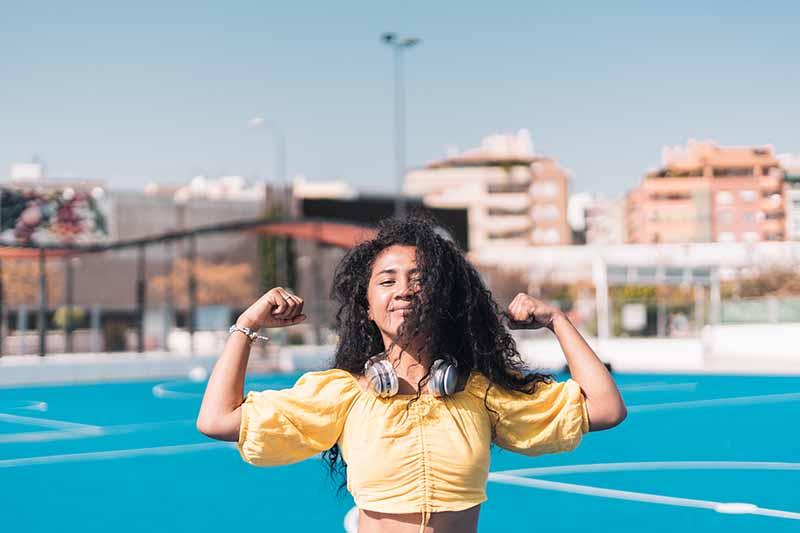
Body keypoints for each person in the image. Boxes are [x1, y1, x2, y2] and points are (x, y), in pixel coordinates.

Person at [196, 216, 627, 533]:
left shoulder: (480, 393)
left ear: (441, 298)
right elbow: (217, 419)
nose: (403, 289)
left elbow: (606, 409)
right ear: (366, 305)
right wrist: (247, 325)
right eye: (387, 281)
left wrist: (557, 320)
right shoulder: (342, 395)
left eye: (418, 280)